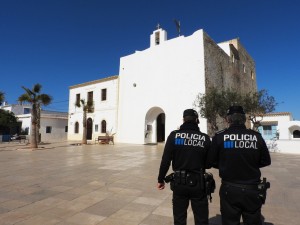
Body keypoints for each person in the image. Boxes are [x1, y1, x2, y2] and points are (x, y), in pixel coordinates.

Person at [206, 105, 271, 225]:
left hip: (229, 190)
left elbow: (210, 162)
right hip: (252, 189)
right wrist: (250, 165)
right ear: (244, 119)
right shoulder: (256, 136)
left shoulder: (220, 137)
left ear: (228, 119)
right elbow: (266, 161)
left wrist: (225, 165)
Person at [157, 109, 211, 225]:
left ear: (183, 120)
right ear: (197, 120)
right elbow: (208, 163)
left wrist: (160, 179)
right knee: (201, 219)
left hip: (179, 183)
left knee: (179, 218)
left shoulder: (174, 136)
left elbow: (165, 160)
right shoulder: (205, 138)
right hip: (199, 183)